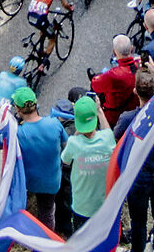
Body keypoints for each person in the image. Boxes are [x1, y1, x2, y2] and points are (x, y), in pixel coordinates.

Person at [113, 71, 154, 252]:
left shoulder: (128, 119)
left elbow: (115, 138)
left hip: (138, 177)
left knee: (138, 222)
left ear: (135, 92)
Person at [60, 95, 113, 236]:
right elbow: (108, 131)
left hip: (80, 208)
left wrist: (78, 129)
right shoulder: (107, 139)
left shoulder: (73, 143)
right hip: (103, 206)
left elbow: (65, 160)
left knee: (82, 241)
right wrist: (100, 111)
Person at [12, 87, 65, 226]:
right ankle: (46, 240)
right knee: (47, 213)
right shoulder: (55, 123)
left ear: (18, 109)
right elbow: (66, 148)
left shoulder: (18, 133)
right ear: (36, 104)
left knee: (34, 207)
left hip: (30, 183)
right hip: (53, 182)